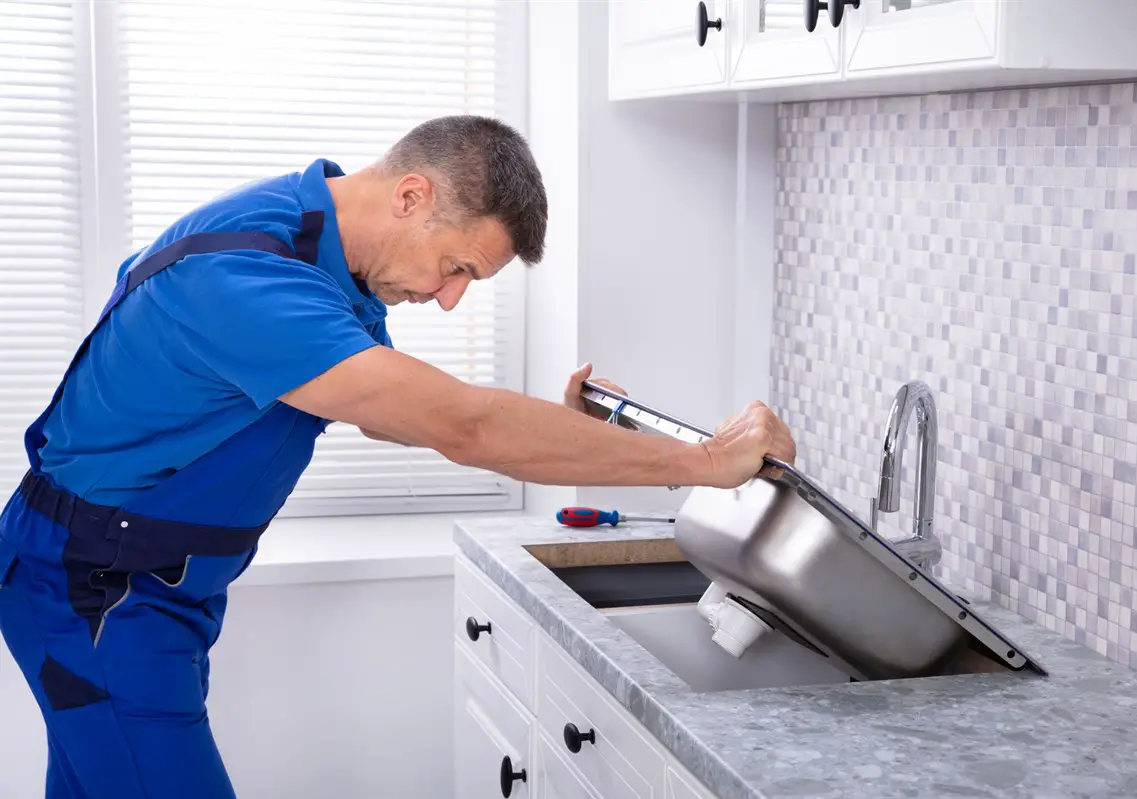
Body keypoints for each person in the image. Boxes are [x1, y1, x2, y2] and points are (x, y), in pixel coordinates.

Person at [0, 114, 797, 799]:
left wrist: (577, 435)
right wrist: (701, 461)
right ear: (411, 195)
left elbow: (399, 416)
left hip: (142, 586)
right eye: (457, 268)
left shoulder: (327, 257)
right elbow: (464, 425)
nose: (450, 297)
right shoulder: (248, 278)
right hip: (95, 591)